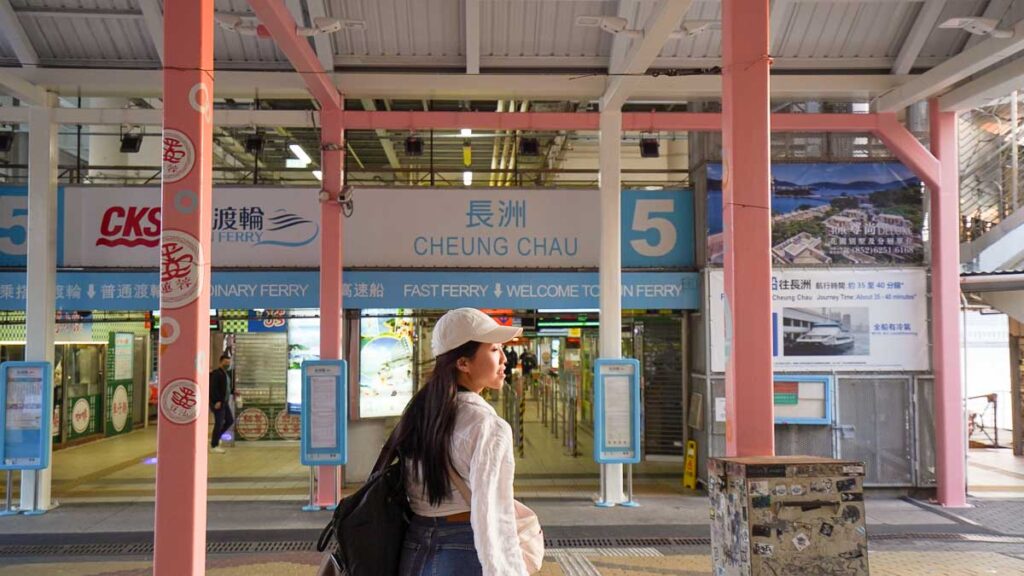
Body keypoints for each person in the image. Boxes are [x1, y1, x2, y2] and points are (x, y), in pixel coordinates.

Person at [386, 308, 529, 576]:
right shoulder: (487, 425)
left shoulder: (420, 412)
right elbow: (492, 515)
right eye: (495, 350)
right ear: (463, 363)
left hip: (414, 545)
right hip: (463, 548)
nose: (504, 359)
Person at [209, 353, 234, 454]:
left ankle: (216, 438)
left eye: (228, 362)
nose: (227, 364)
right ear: (220, 362)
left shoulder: (225, 374)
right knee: (218, 423)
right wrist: (216, 401)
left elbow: (226, 388)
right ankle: (214, 445)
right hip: (218, 403)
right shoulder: (216, 374)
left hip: (224, 402)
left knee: (229, 420)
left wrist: (233, 391)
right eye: (225, 362)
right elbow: (213, 389)